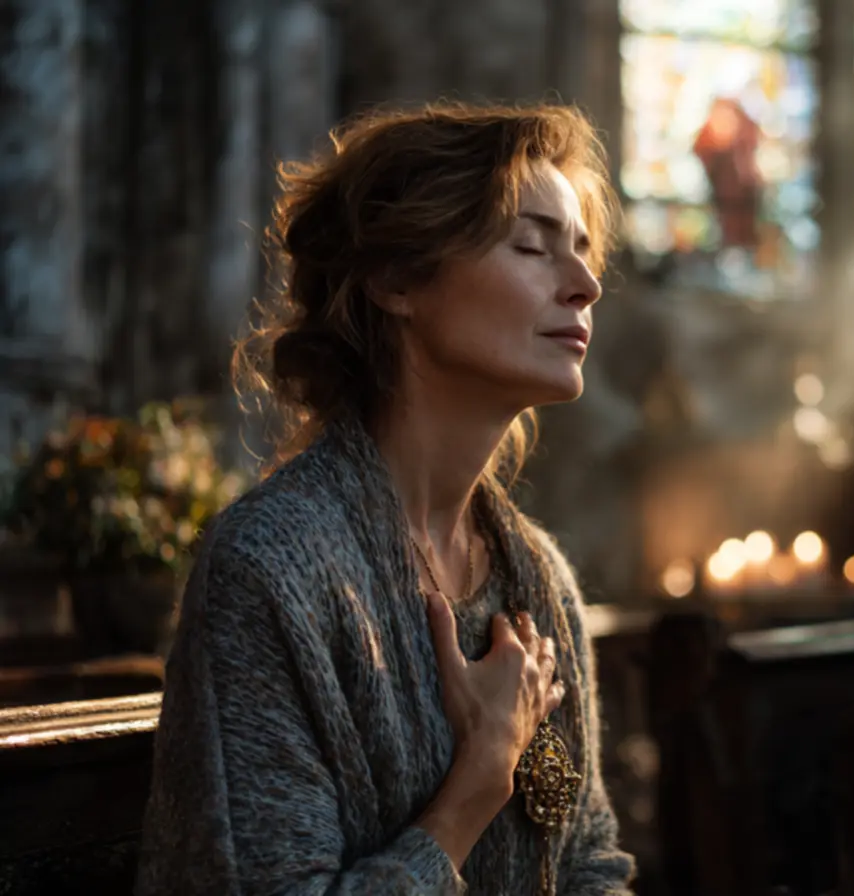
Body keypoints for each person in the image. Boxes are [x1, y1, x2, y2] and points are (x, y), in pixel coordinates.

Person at [135, 102, 635, 896]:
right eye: (534, 246)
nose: (585, 284)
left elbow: (589, 863)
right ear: (398, 279)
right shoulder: (271, 569)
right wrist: (474, 788)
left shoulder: (536, 580)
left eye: (580, 250)